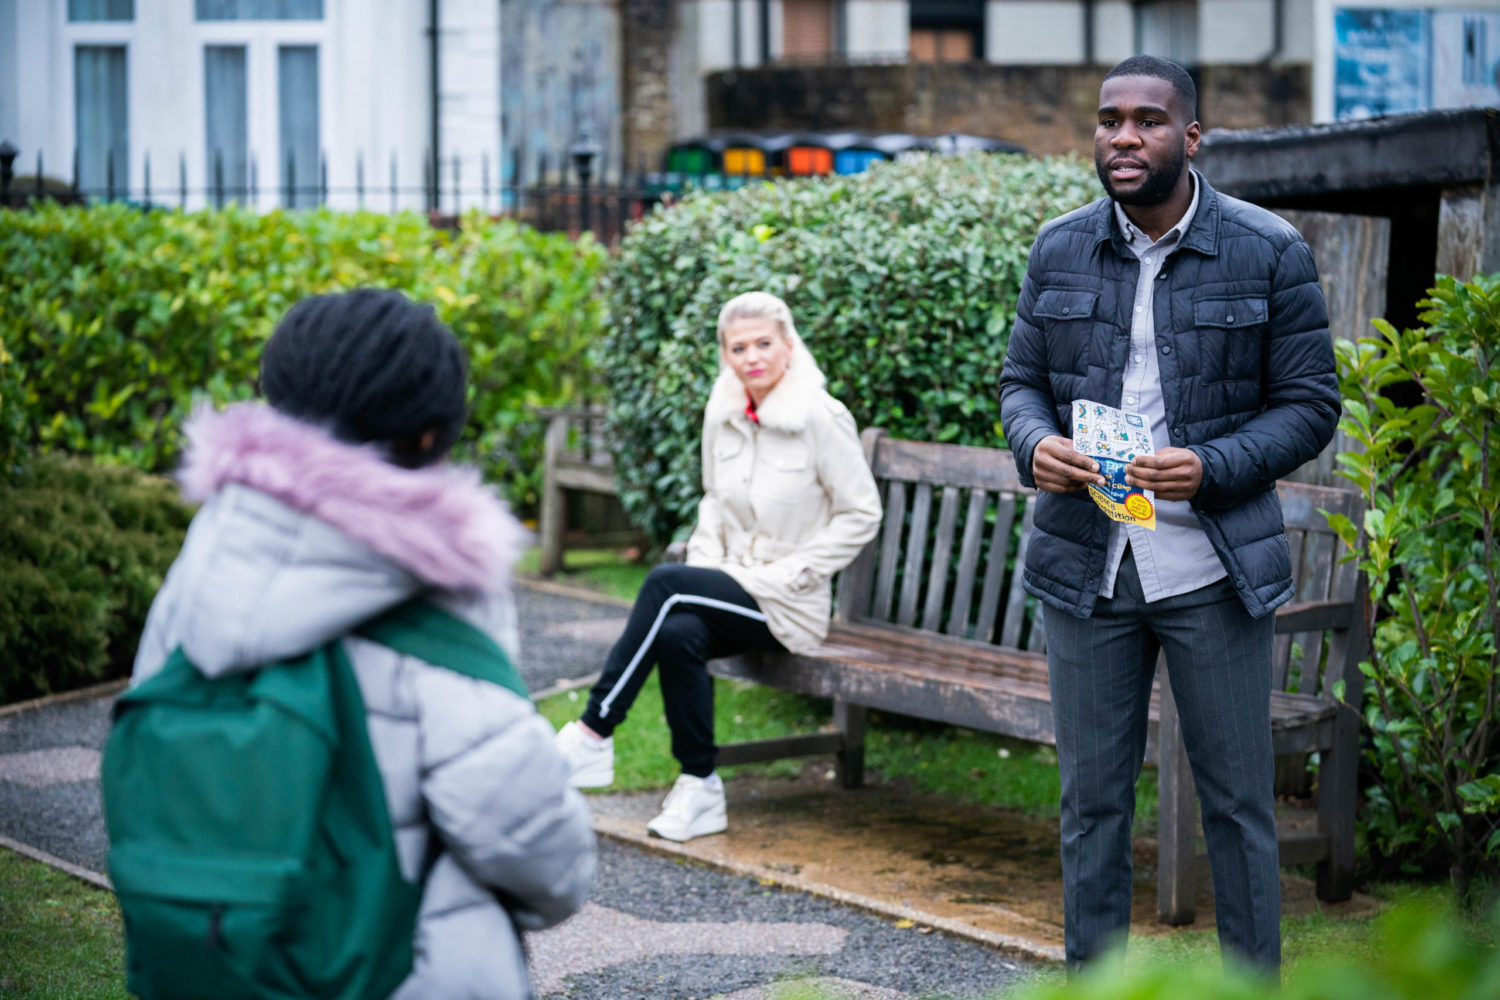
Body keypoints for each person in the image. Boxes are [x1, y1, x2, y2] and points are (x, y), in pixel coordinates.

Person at [131, 288, 596, 999]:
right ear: (429, 436)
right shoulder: (431, 598)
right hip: (402, 968)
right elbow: (543, 860)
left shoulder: (210, 558)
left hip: (225, 957)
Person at [998, 56, 1339, 974]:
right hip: (1089, 566)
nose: (1123, 137)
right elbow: (1021, 383)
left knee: (1237, 807)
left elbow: (1311, 405)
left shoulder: (1267, 249)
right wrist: (1035, 444)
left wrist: (1212, 466)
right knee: (1091, 808)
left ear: (1190, 138)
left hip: (1211, 570)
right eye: (1109, 119)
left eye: (1147, 121)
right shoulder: (1059, 247)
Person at [555, 291, 882, 841]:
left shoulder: (821, 416)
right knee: (679, 630)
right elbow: (713, 502)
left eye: (763, 344)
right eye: (738, 347)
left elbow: (861, 514)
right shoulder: (723, 411)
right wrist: (709, 566)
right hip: (730, 584)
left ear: (788, 346)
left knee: (666, 584)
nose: (752, 357)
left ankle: (593, 732)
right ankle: (700, 786)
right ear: (725, 354)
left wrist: (795, 573)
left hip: (789, 602)